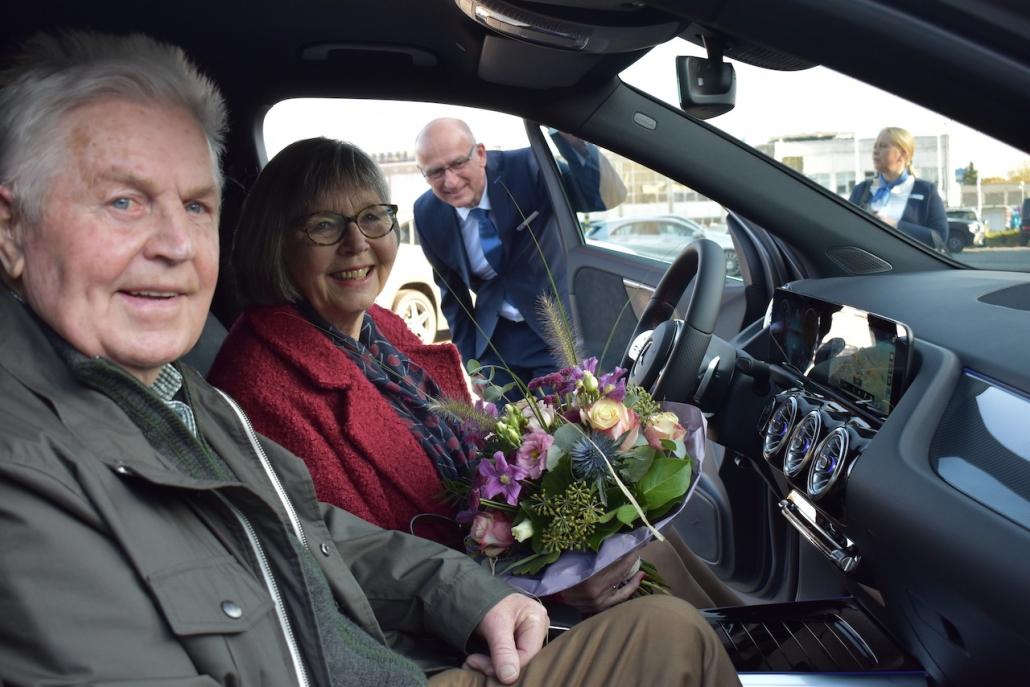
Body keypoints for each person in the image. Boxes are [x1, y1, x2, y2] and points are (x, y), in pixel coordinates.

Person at [0, 30, 739, 686]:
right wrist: (543, 576)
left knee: (657, 568)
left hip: (416, 643)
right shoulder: (43, 458)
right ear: (10, 229)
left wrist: (483, 586)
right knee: (669, 630)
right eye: (123, 202)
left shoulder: (186, 396)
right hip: (411, 656)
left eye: (196, 206)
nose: (174, 245)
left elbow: (312, 534)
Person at [209, 137, 734, 615]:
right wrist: (543, 585)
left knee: (648, 535)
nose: (356, 243)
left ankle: (754, 646)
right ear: (275, 241)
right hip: (451, 622)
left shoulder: (378, 328)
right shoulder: (261, 386)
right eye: (323, 225)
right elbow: (350, 571)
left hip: (483, 562)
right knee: (666, 617)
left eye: (372, 217)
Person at [413, 118, 625, 392]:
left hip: (555, 333)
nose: (450, 181)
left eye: (457, 164)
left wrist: (571, 138)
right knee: (510, 432)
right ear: (423, 173)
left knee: (564, 427)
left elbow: (599, 197)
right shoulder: (426, 213)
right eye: (435, 172)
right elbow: (453, 298)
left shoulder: (527, 167)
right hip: (495, 346)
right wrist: (473, 364)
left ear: (480, 153)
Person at [849, 126, 948, 249]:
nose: (875, 151)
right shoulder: (861, 190)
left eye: (883, 146)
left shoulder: (926, 191)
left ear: (903, 154)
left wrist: (895, 225)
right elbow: (846, 229)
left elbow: (939, 237)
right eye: (875, 146)